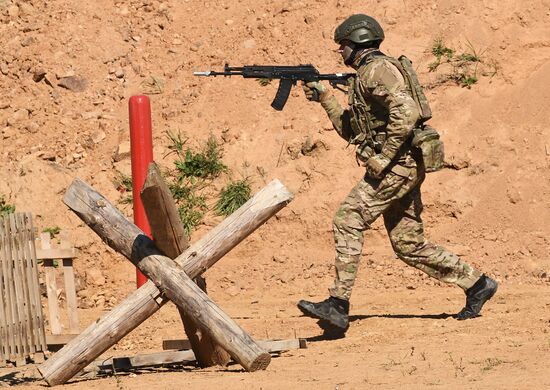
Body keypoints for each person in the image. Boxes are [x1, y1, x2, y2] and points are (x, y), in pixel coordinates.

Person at [297, 14, 497, 332]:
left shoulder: (378, 70)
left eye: (343, 46)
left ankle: (337, 306)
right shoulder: (367, 74)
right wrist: (325, 100)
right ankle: (477, 284)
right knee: (407, 243)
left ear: (358, 42)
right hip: (403, 165)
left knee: (348, 219)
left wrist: (385, 157)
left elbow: (408, 112)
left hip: (398, 165)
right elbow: (352, 131)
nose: (340, 52)